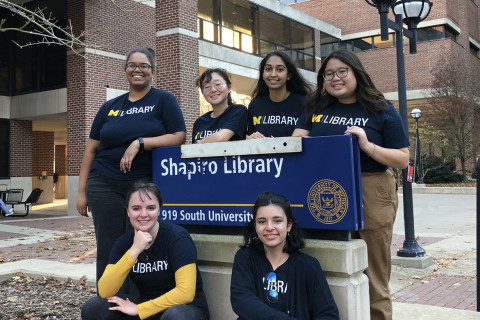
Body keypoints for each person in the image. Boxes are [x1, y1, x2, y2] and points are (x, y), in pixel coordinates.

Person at [293, 49, 410, 320]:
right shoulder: (316, 107)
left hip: (370, 187)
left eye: (342, 72)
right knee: (330, 264)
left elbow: (403, 159)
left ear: (356, 73)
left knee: (373, 273)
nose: (335, 78)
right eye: (328, 74)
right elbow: (297, 143)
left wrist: (367, 146)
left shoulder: (380, 108)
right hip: (324, 190)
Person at [76, 47, 187, 284]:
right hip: (103, 183)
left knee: (139, 242)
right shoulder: (110, 107)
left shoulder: (163, 100)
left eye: (144, 66)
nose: (137, 70)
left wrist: (140, 143)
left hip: (141, 184)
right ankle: (107, 301)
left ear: (153, 71)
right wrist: (81, 191)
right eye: (132, 65)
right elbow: (91, 149)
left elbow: (179, 136)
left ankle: (136, 301)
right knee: (107, 246)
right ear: (125, 70)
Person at [81, 182, 210, 320]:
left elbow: (186, 293)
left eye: (151, 208)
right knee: (94, 307)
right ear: (128, 211)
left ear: (159, 209)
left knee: (175, 315)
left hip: (184, 310)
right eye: (136, 208)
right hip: (145, 307)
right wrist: (134, 251)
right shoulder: (125, 242)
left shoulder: (177, 238)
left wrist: (139, 309)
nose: (143, 214)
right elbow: (105, 290)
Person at [230, 191, 339, 320]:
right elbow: (241, 301)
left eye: (277, 221)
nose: (269, 227)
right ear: (255, 226)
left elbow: (328, 315)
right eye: (262, 222)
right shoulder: (245, 258)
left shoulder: (308, 266)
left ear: (288, 226)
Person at [247, 51, 311, 139]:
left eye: (280, 69)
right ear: (262, 74)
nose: (273, 74)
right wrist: (251, 138)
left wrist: (275, 144)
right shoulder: (255, 105)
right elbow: (248, 137)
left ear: (288, 75)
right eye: (268, 69)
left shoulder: (304, 103)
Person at [192, 68, 247, 144]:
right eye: (207, 87)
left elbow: (221, 137)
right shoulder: (199, 122)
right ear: (203, 92)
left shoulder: (238, 111)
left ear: (228, 88)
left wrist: (198, 144)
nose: (213, 90)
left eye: (218, 84)